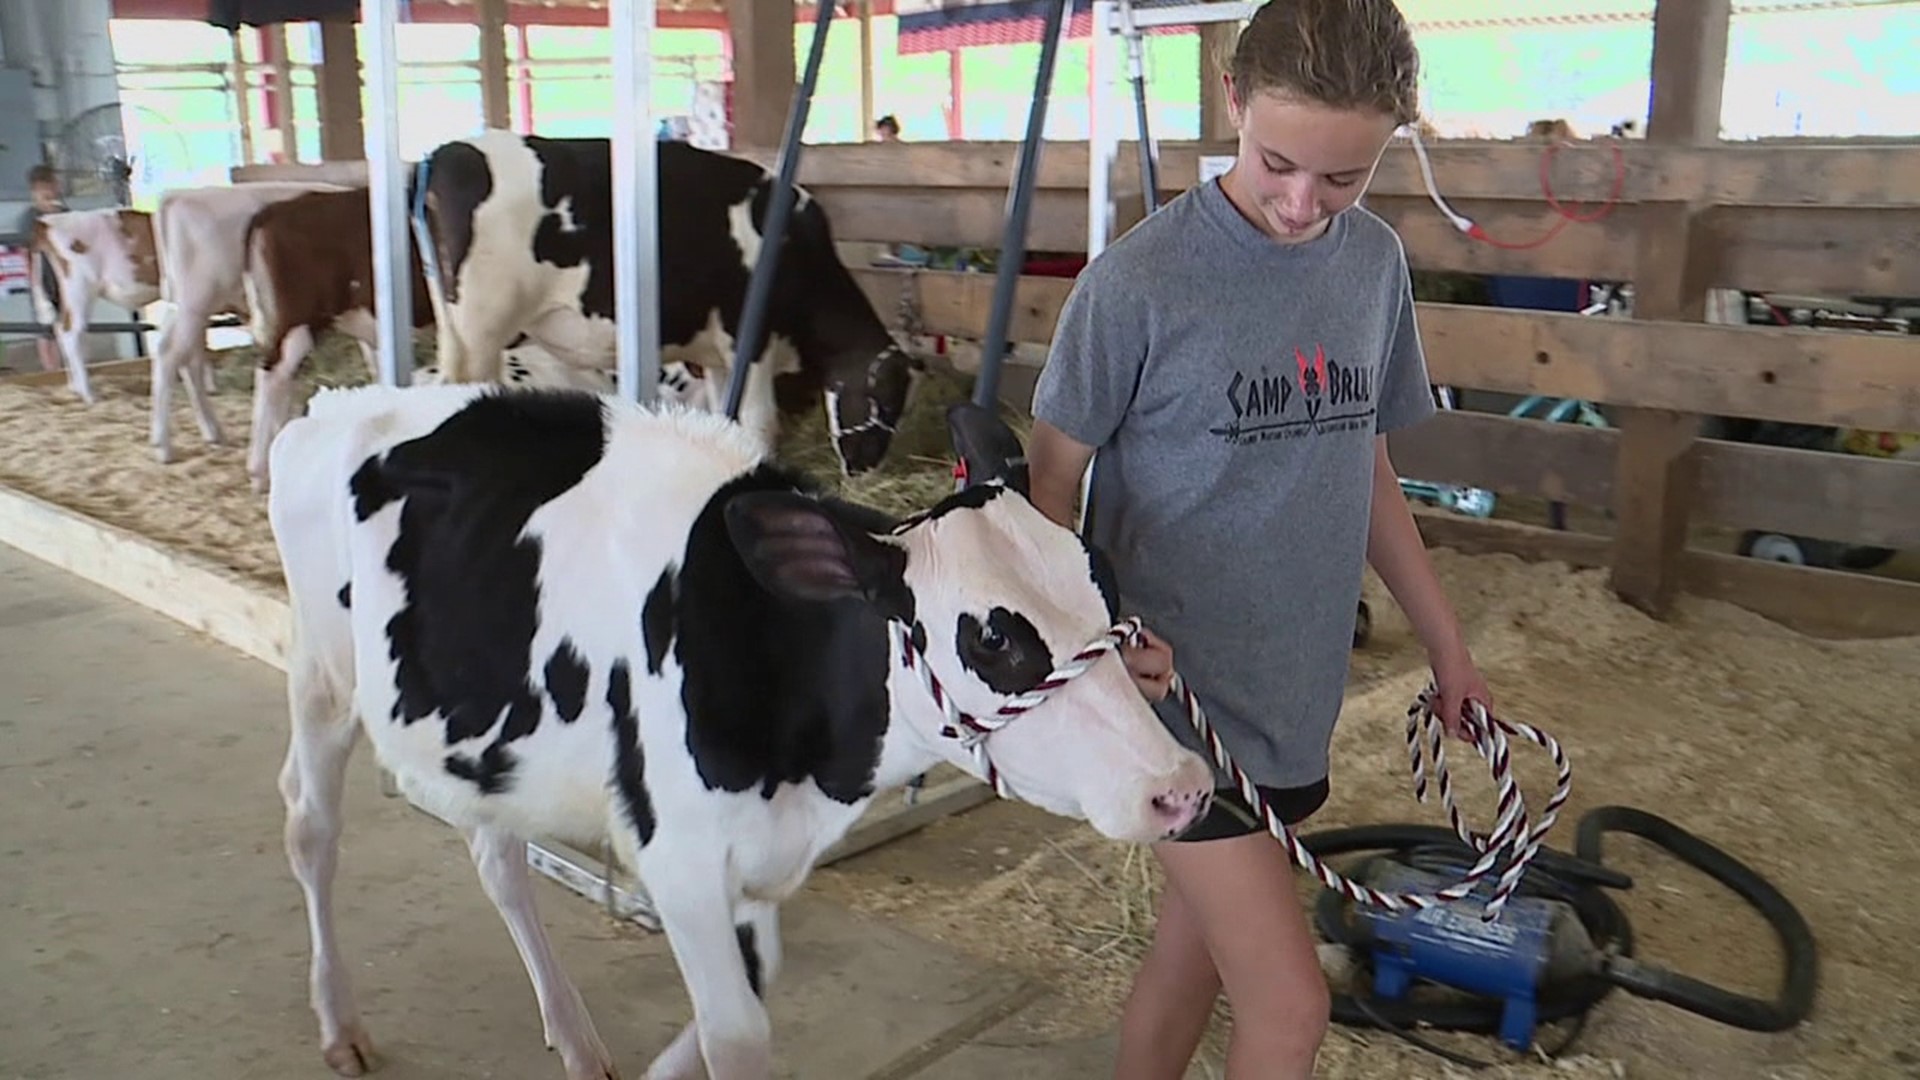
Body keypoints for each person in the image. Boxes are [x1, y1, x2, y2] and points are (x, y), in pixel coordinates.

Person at [1024, 2, 1493, 1076]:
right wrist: (1088, 646)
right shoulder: (1139, 283)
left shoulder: (1370, 266)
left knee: (1192, 964)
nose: (1300, 204)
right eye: (1279, 162)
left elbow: (1362, 462)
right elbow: (1049, 482)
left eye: (1343, 179)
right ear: (1235, 101)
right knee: (1289, 1010)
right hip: (1174, 706)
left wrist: (1447, 645)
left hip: (1294, 691)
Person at [17, 164, 69, 374]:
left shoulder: (66, 213)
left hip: (66, 275)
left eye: (51, 185)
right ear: (34, 190)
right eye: (43, 187)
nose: (49, 191)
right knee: (44, 325)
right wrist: (33, 281)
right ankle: (51, 369)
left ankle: (69, 366)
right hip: (42, 276)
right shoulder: (29, 217)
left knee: (69, 320)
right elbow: (25, 249)